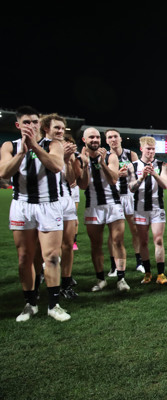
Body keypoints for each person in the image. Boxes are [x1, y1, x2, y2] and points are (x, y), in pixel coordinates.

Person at [0, 105, 70, 321]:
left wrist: (34, 147)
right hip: (22, 205)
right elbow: (3, 172)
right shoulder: (9, 146)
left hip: (49, 205)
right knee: (24, 257)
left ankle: (53, 304)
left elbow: (57, 165)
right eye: (26, 122)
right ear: (18, 125)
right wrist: (23, 151)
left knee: (51, 256)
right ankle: (30, 303)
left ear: (40, 123)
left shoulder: (54, 144)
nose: (31, 125)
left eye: (34, 121)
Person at [77, 127, 130, 292]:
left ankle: (121, 278)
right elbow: (83, 185)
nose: (95, 140)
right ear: (84, 140)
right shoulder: (79, 159)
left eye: (97, 137)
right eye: (91, 137)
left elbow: (114, 179)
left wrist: (102, 163)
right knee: (96, 245)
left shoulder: (111, 156)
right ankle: (100, 279)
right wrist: (86, 165)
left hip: (113, 204)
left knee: (118, 241)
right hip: (93, 206)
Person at [39, 114, 81, 300]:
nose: (60, 131)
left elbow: (72, 181)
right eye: (56, 128)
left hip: (65, 200)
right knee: (44, 248)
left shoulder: (67, 150)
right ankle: (40, 279)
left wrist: (68, 160)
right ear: (46, 128)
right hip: (44, 201)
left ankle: (66, 283)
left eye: (62, 129)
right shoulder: (39, 147)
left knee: (68, 245)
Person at [127, 136, 167, 285]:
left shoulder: (162, 164)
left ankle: (161, 274)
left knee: (158, 239)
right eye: (148, 149)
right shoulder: (132, 166)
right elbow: (131, 188)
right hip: (140, 209)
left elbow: (165, 185)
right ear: (141, 149)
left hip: (157, 207)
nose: (151, 152)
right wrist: (142, 177)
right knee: (143, 242)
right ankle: (147, 273)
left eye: (153, 149)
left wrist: (154, 174)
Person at [105, 128, 144, 275]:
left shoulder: (131, 154)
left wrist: (127, 174)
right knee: (113, 234)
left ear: (120, 139)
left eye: (115, 136)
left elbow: (138, 174)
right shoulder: (105, 156)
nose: (113, 139)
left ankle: (139, 262)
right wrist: (115, 175)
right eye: (110, 137)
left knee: (135, 230)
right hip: (112, 197)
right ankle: (114, 266)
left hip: (129, 196)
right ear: (107, 140)